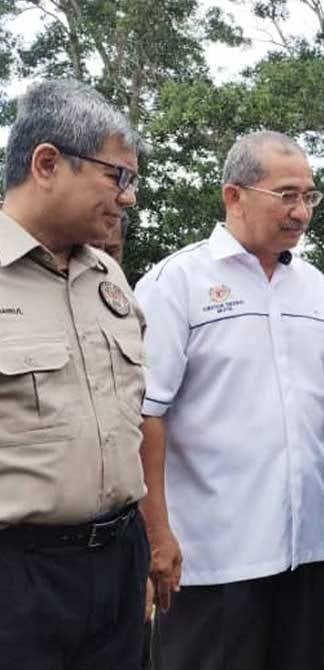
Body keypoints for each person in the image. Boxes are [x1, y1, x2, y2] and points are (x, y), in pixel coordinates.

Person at [136, 131, 324, 670]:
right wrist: (157, 535)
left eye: (309, 196)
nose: (302, 211)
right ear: (233, 195)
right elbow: (147, 417)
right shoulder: (176, 284)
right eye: (287, 195)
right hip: (211, 559)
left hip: (306, 549)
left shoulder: (313, 287)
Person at [0, 79, 148, 668]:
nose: (128, 197)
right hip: (19, 577)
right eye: (119, 176)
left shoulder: (108, 276)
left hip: (116, 559)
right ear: (46, 163)